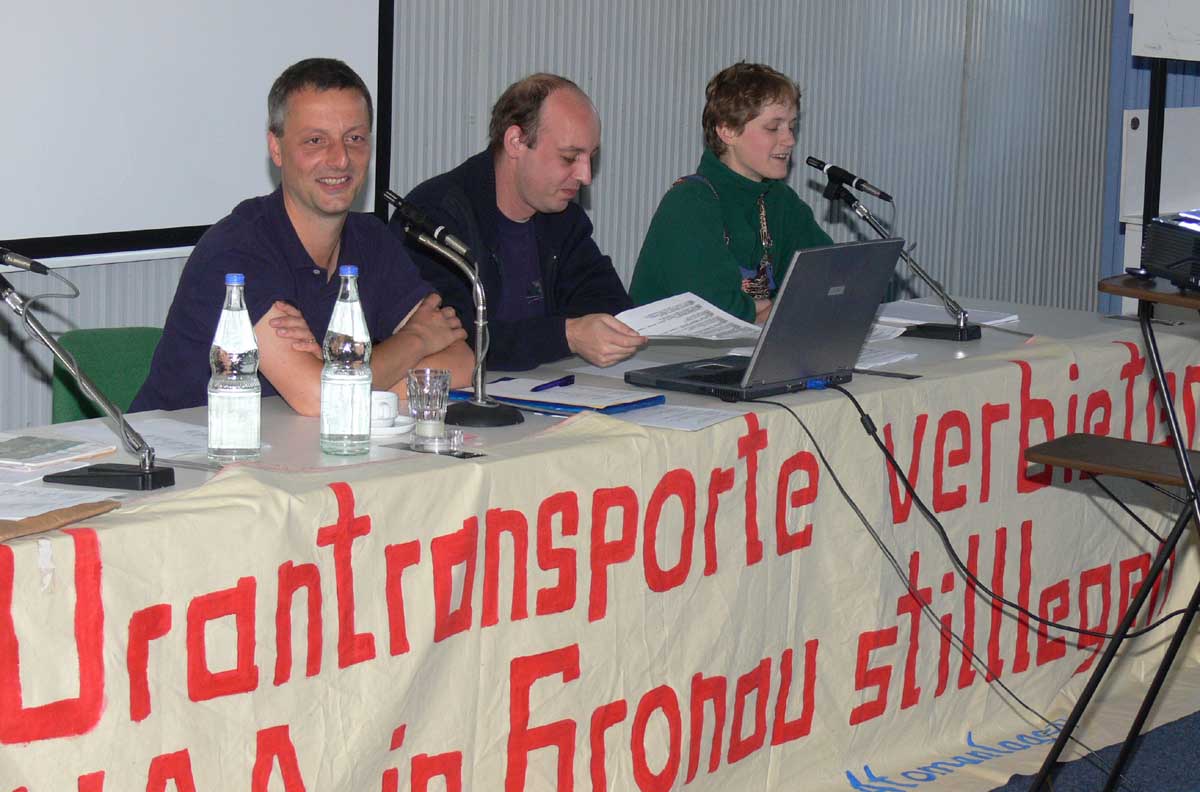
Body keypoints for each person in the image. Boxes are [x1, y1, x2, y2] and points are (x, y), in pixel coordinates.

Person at [132, 58, 472, 415]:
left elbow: (461, 363)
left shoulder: (372, 238)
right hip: (193, 461)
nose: (340, 159)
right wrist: (415, 340)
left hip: (300, 455)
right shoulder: (237, 250)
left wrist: (343, 382)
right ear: (276, 149)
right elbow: (318, 397)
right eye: (315, 141)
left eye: (354, 138)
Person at [394, 73, 645, 370]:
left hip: (545, 392)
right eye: (569, 158)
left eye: (591, 158)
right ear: (515, 142)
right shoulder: (434, 217)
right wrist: (565, 336)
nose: (585, 176)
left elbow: (610, 303)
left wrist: (576, 333)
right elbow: (453, 336)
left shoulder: (562, 217)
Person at [629, 62, 833, 324]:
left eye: (791, 126)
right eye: (773, 128)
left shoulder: (780, 200)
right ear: (727, 130)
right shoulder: (690, 203)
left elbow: (831, 277)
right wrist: (772, 309)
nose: (790, 140)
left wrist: (771, 309)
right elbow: (715, 311)